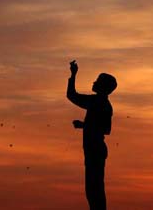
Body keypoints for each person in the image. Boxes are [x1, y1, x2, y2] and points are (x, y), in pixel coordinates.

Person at [66, 60, 117, 210]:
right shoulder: (101, 103)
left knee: (94, 190)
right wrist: (84, 125)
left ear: (103, 87)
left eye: (97, 81)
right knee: (94, 190)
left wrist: (73, 75)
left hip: (95, 150)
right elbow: (103, 128)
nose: (94, 83)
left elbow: (105, 129)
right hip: (95, 150)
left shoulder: (98, 103)